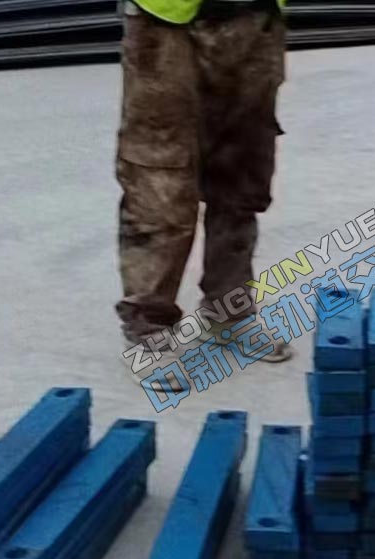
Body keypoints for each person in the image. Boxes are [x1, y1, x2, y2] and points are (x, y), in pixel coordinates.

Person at [116, 0, 290, 385]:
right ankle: (148, 331)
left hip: (255, 16)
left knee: (242, 170)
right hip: (166, 19)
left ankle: (229, 312)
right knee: (160, 178)